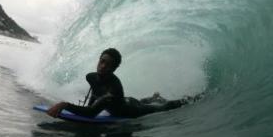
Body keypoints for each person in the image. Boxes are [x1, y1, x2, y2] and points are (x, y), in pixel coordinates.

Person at [47, 48, 200, 119]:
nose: (103, 66)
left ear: (114, 68)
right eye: (102, 61)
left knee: (163, 107)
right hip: (127, 100)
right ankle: (154, 96)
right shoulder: (91, 77)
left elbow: (93, 113)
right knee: (141, 100)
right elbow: (94, 95)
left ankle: (190, 99)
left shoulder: (113, 88)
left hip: (132, 110)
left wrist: (64, 105)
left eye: (108, 65)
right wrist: (86, 107)